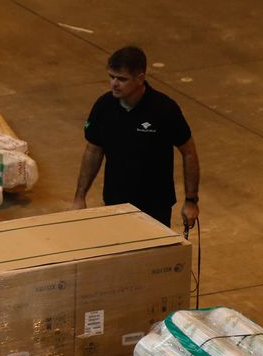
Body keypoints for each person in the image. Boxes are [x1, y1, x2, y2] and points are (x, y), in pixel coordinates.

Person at [73, 46, 200, 230]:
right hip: (115, 204)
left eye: (122, 79)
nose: (114, 84)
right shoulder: (104, 107)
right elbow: (93, 150)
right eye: (111, 77)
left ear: (140, 79)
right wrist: (79, 197)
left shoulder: (164, 110)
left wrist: (191, 200)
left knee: (155, 257)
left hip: (155, 206)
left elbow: (189, 153)